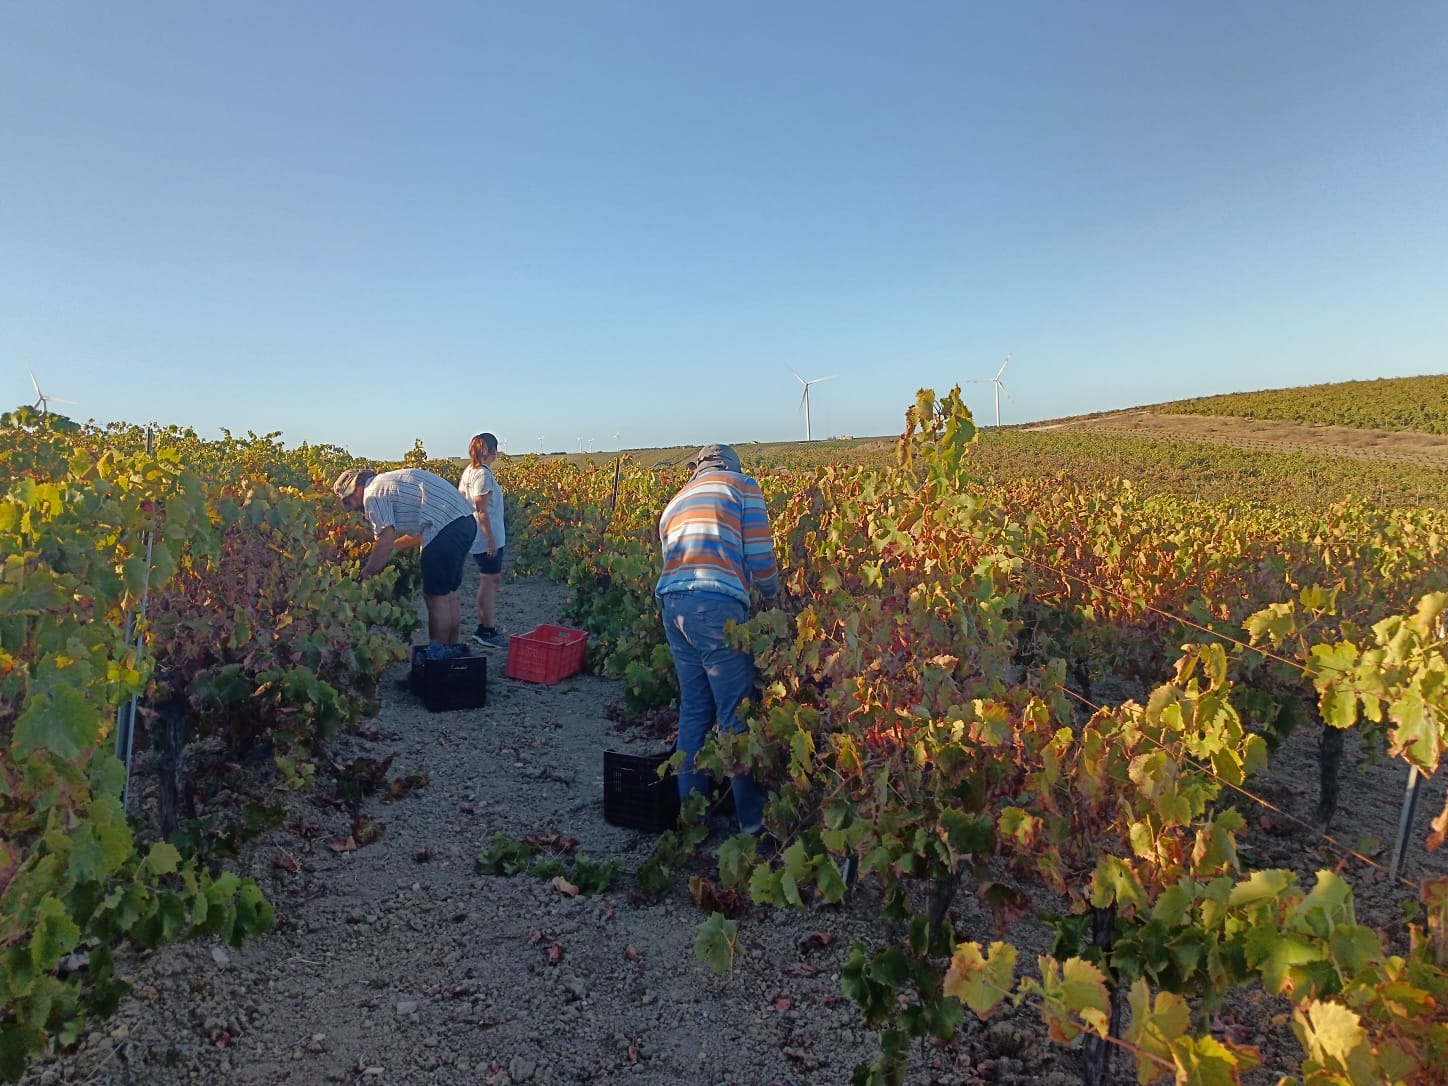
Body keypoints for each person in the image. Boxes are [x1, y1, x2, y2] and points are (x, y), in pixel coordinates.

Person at [655, 443, 780, 836]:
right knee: (736, 714)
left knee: (694, 710)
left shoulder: (676, 501)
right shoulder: (741, 486)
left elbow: (670, 558)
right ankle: (753, 825)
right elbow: (759, 555)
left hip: (673, 606)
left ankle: (694, 818)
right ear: (731, 465)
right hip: (715, 606)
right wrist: (774, 599)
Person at [332, 467, 478, 659]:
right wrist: (388, 550)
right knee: (447, 594)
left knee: (435, 597)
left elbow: (384, 540)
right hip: (464, 523)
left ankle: (436, 659)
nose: (352, 508)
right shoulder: (385, 484)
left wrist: (365, 575)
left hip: (446, 527)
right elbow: (412, 536)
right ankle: (450, 654)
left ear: (358, 487)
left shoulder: (372, 495)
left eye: (348, 501)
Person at [458, 432, 508, 648]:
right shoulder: (482, 475)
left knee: (489, 580)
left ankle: (485, 626)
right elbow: (481, 509)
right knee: (488, 582)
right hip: (486, 537)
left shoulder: (470, 471)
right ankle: (486, 629)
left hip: (481, 536)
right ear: (491, 450)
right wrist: (490, 540)